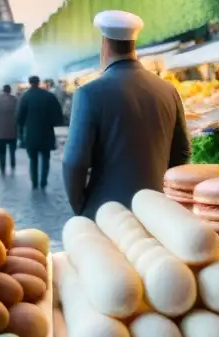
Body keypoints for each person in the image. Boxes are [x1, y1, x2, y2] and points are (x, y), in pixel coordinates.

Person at [63, 11, 191, 217]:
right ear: (134, 44)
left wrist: (80, 206)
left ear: (104, 44)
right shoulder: (168, 90)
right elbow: (183, 151)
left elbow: (74, 162)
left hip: (106, 212)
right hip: (158, 212)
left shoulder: (88, 93)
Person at [16, 76, 64, 190]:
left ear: (30, 83)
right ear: (39, 83)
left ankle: (34, 182)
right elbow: (58, 115)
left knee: (33, 160)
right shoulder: (49, 96)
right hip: (46, 132)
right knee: (45, 158)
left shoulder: (25, 97)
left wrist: (21, 128)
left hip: (31, 133)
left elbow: (19, 117)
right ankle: (43, 181)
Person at [0, 84, 18, 175]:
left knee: (1, 150)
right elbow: (19, 112)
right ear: (10, 91)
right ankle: (13, 164)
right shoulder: (15, 100)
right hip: (12, 129)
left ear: (3, 90)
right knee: (12, 149)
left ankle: (2, 167)